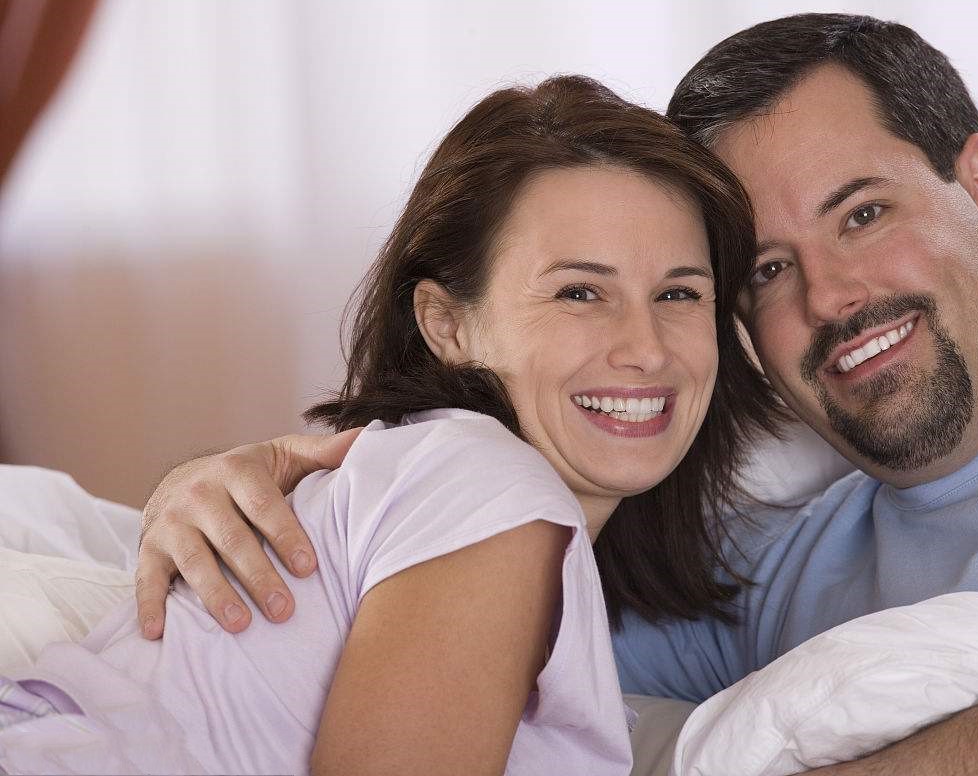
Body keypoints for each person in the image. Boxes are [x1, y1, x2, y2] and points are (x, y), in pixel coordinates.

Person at [134, 15, 978, 774]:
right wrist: (237, 485)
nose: (830, 295)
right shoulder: (765, 575)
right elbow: (410, 614)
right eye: (766, 270)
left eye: (863, 214)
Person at [0, 75, 781, 775]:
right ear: (448, 325)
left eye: (678, 294)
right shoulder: (493, 485)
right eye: (580, 293)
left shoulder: (462, 492)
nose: (646, 348)